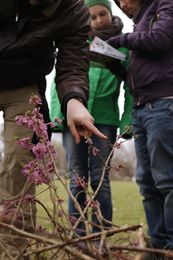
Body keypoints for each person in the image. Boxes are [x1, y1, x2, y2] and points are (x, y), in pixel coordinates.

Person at [0, 0, 107, 258]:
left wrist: (74, 100)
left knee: (19, 165)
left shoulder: (73, 12)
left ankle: (12, 251)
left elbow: (72, 63)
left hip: (23, 82)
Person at [50, 0, 133, 236]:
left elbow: (131, 88)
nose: (98, 20)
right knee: (77, 178)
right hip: (75, 120)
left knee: (99, 179)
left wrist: (128, 121)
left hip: (105, 120)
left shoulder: (124, 47)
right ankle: (77, 237)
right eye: (92, 16)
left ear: (110, 12)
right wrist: (59, 115)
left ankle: (100, 236)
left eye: (102, 14)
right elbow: (60, 81)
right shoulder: (78, 43)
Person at [108, 0, 173, 258]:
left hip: (163, 104)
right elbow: (139, 69)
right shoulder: (139, 21)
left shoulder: (164, 4)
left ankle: (170, 246)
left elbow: (160, 40)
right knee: (147, 183)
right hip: (141, 107)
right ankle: (157, 246)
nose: (122, 3)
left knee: (167, 179)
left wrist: (123, 39)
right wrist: (113, 61)